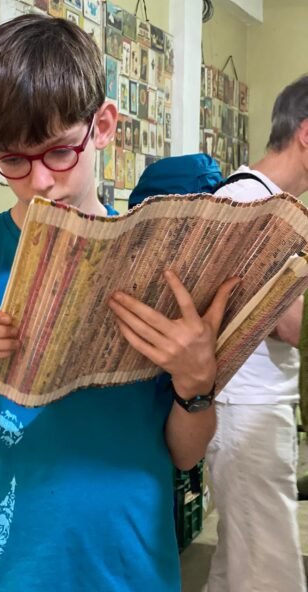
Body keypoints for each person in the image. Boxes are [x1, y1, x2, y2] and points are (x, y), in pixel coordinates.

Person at [0, 15, 237, 592]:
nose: (39, 182)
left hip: (133, 570)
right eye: (12, 160)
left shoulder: (158, 264)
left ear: (101, 126)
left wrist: (196, 384)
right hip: (11, 575)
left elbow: (185, 456)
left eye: (58, 152)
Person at [206, 75, 308, 592]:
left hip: (257, 403)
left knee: (239, 566)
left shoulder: (271, 202)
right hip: (247, 408)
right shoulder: (251, 202)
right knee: (271, 574)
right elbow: (291, 325)